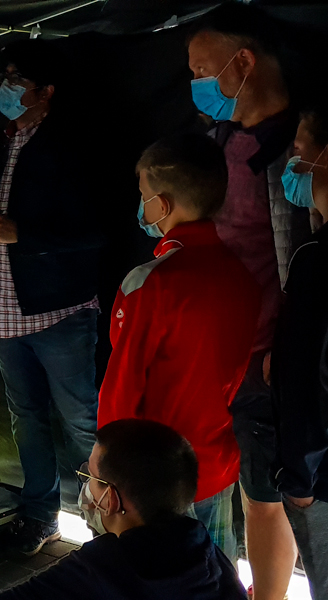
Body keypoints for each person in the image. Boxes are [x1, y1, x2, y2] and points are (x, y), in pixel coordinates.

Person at [187, 5, 315, 596]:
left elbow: (312, 271)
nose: (195, 85)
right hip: (222, 354)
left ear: (244, 63)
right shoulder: (219, 140)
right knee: (243, 492)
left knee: (273, 501)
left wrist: (289, 351)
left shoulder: (305, 149)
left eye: (202, 69)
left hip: (271, 358)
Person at [98, 133, 261, 564]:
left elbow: (121, 390)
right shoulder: (242, 278)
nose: (142, 206)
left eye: (144, 197)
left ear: (163, 205)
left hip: (155, 481)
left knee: (163, 579)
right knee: (215, 574)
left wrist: (104, 473)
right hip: (216, 462)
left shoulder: (150, 283)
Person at [0, 39, 102, 555]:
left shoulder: (74, 144)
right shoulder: (3, 142)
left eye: (17, 79)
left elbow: (96, 230)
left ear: (46, 91)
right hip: (3, 310)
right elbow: (3, 219)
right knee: (26, 420)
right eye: (4, 76)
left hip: (59, 310)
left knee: (82, 423)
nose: (7, 88)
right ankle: (40, 517)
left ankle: (111, 524)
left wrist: (22, 234)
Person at [0, 419, 248, 600]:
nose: (87, 487)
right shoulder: (207, 552)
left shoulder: (99, 568)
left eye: (91, 477)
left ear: (111, 498)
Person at [271, 104, 328, 599]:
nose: (293, 160)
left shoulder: (315, 261)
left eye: (300, 149)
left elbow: (308, 382)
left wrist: (300, 475)